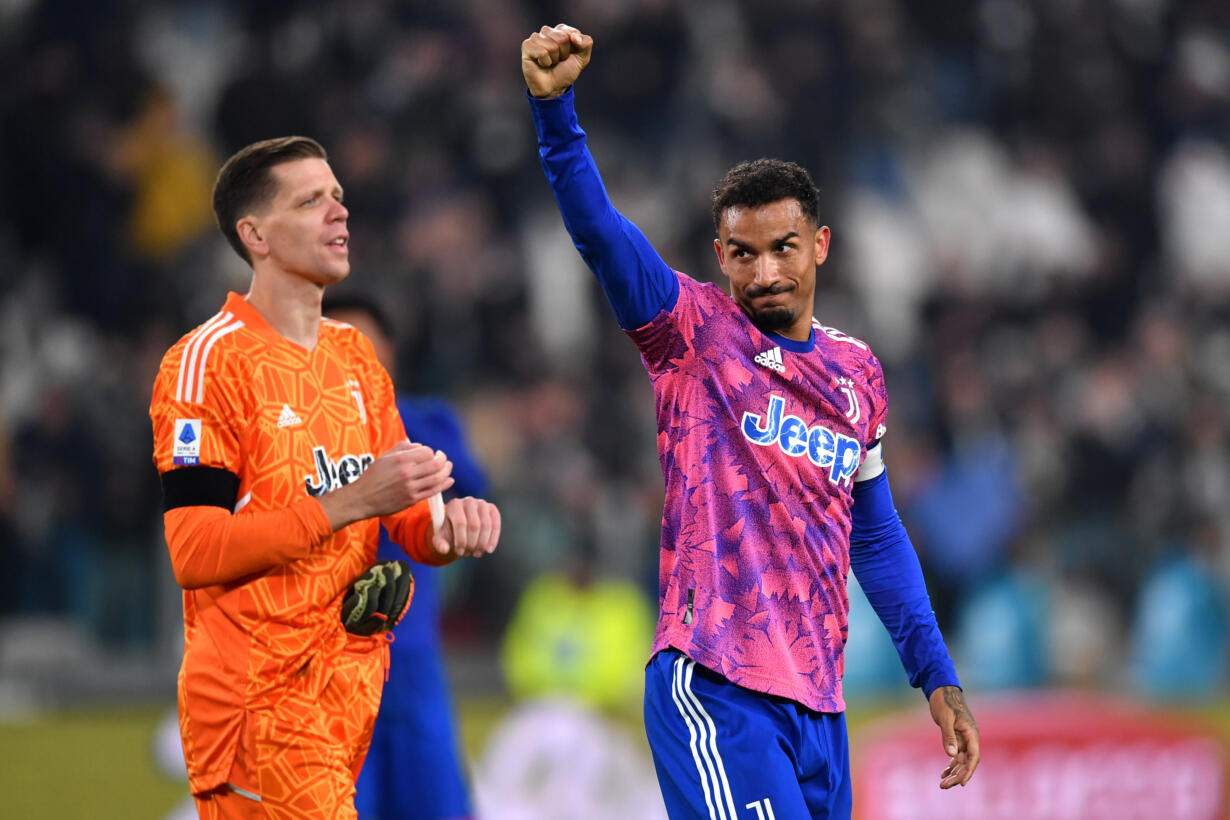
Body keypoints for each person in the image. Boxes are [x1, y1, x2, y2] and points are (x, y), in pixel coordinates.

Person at [520, 24, 979, 819]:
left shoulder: (857, 373)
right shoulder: (690, 331)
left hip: (820, 708)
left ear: (820, 246)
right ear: (720, 254)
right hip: (717, 685)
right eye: (743, 253)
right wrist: (555, 114)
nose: (765, 271)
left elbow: (874, 535)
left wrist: (935, 674)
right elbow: (599, 233)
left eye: (783, 248)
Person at [149, 136, 501, 820]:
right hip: (257, 708)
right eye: (310, 201)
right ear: (255, 235)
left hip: (350, 700)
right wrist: (351, 501)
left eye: (337, 196)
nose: (339, 212)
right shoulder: (206, 363)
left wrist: (445, 533)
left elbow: (406, 518)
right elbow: (195, 551)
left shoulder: (356, 359)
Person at [323, 293, 487, 820]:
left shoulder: (427, 423)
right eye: (334, 343)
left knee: (438, 806)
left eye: (362, 343)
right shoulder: (298, 443)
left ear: (389, 351)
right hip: (331, 670)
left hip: (412, 660)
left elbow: (470, 493)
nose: (350, 356)